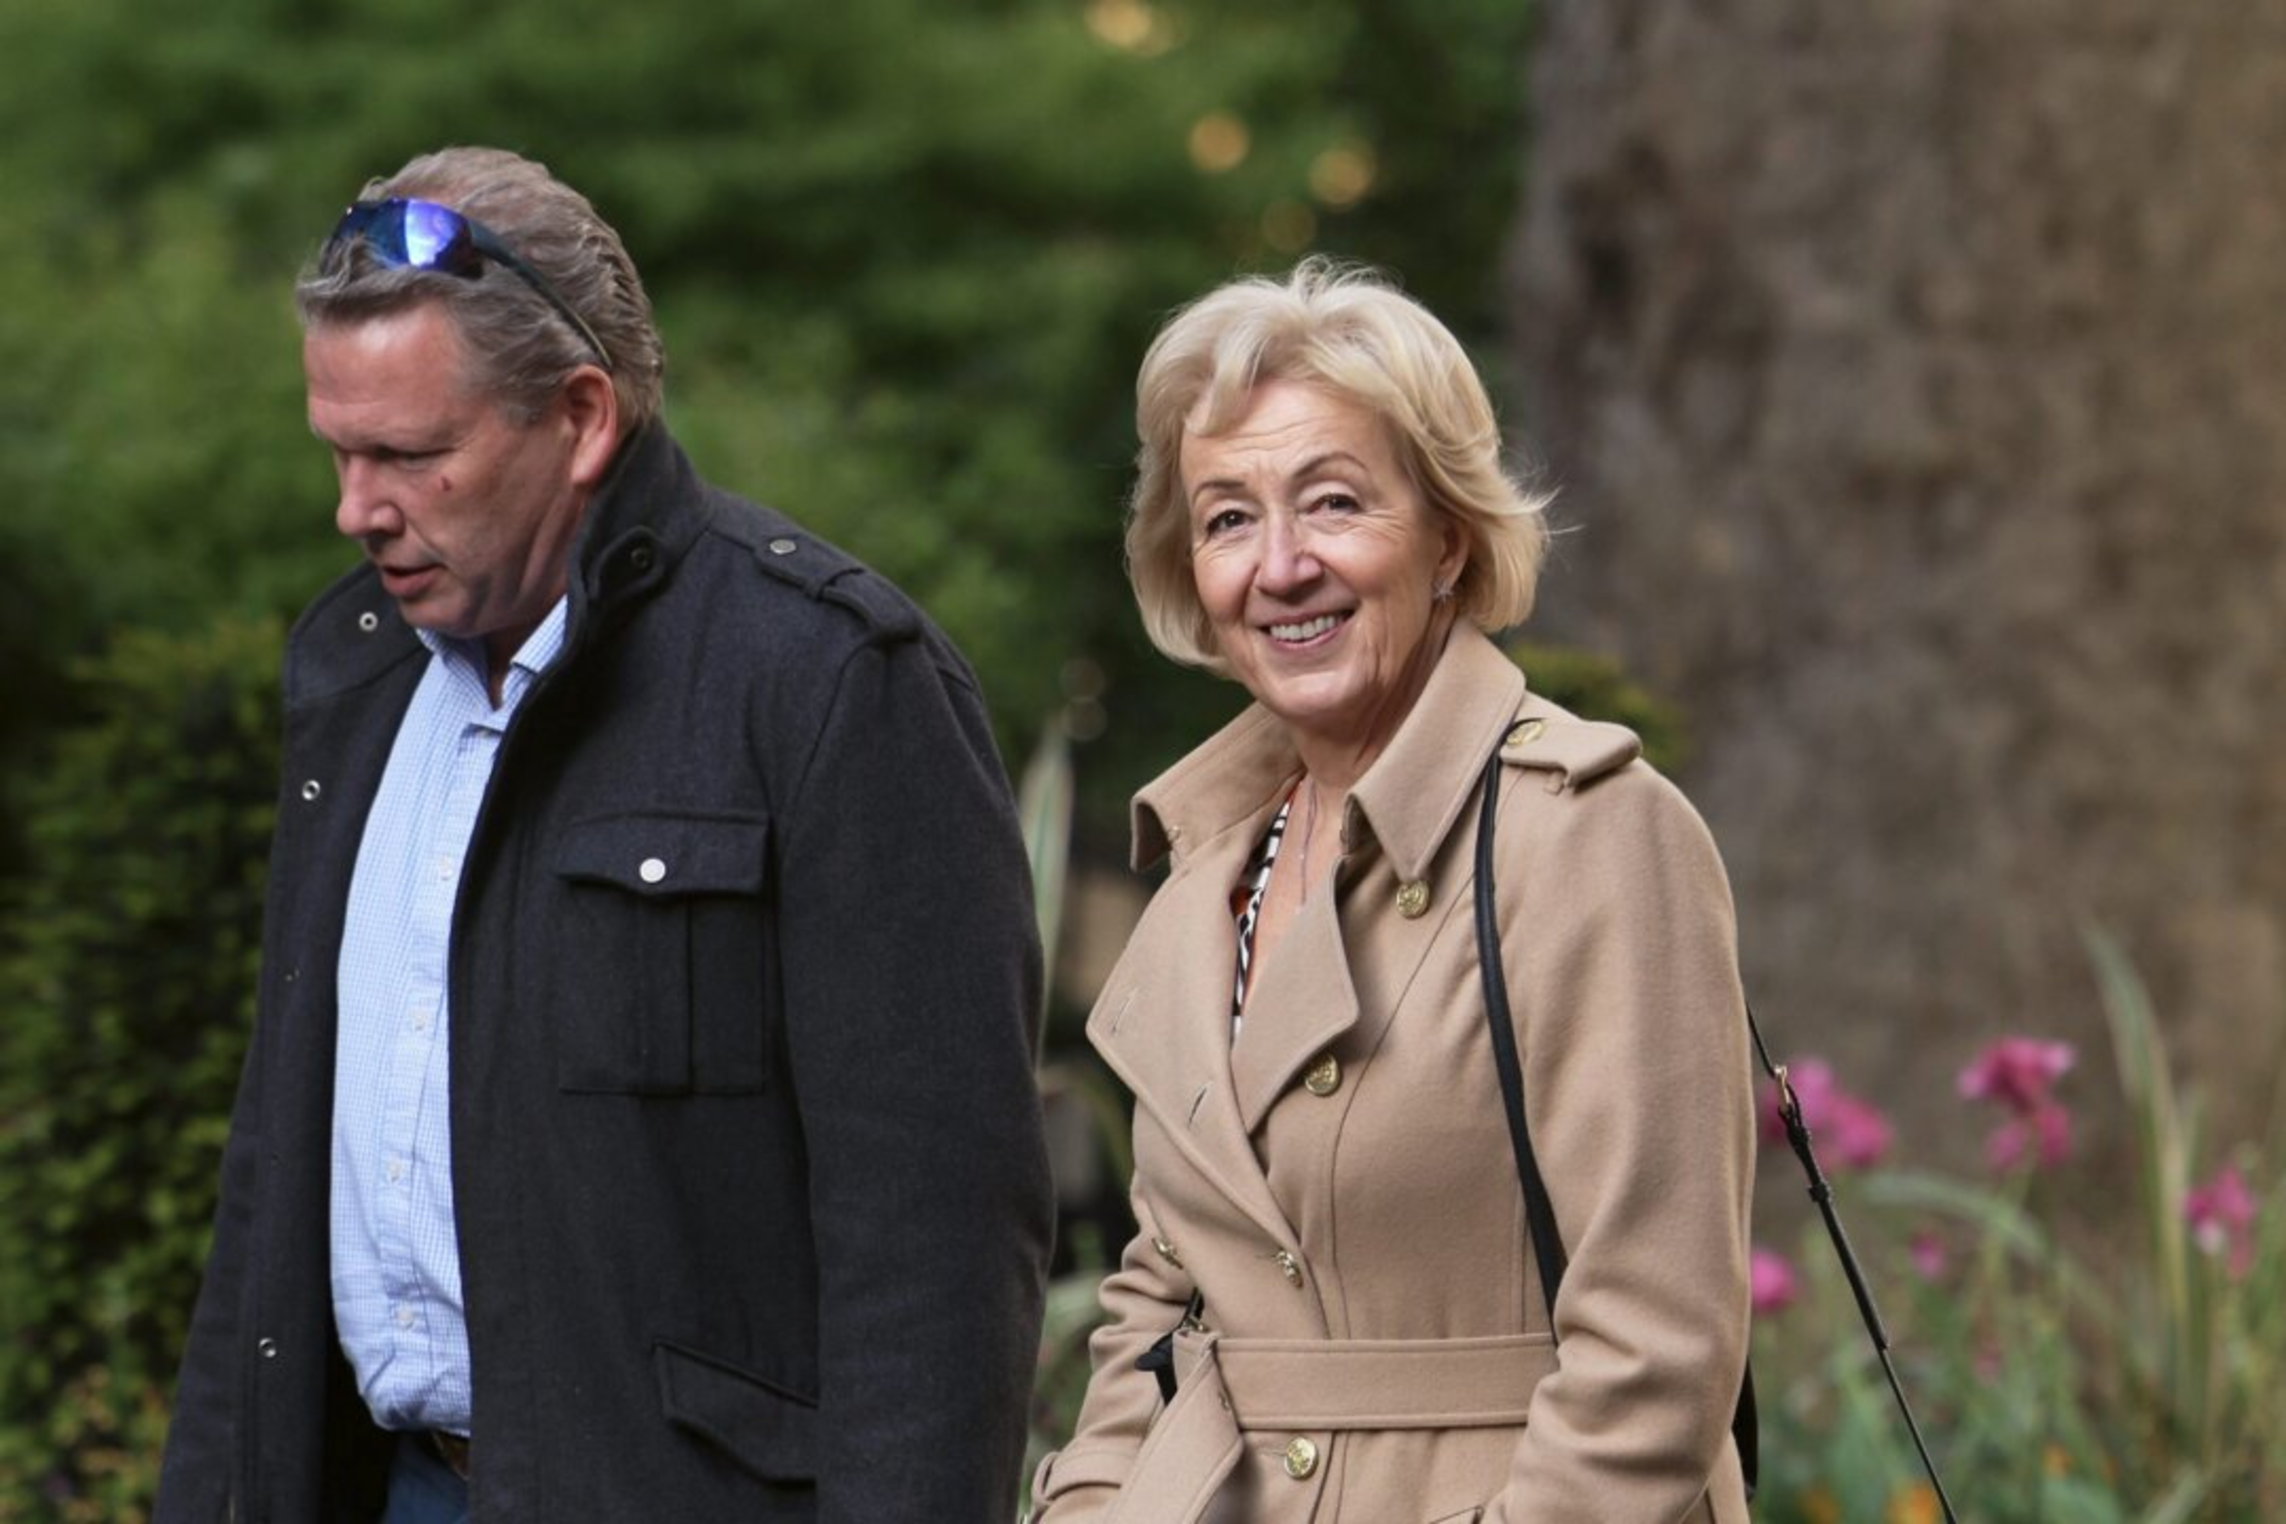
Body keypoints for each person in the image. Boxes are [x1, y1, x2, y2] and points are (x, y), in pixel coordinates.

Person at [155, 146, 1054, 1524]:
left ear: (580, 419)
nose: (355, 510)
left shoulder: (828, 683)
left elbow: (935, 1263)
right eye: (338, 452)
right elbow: (273, 1175)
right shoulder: (354, 673)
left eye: (410, 456)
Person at [1028, 261, 1754, 1522]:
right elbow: (1154, 1314)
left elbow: (1656, 1357)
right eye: (1228, 519)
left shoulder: (1592, 835)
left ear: (1449, 537)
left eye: (1334, 502)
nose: (1281, 566)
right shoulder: (1204, 876)